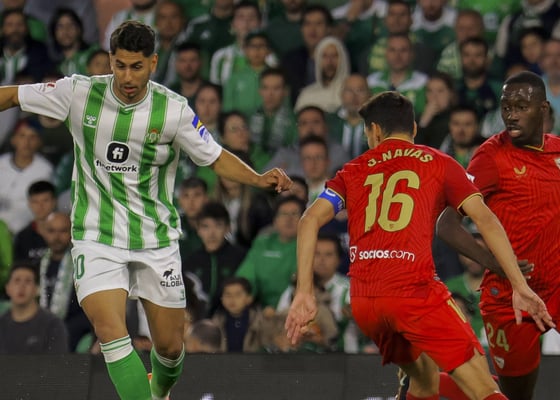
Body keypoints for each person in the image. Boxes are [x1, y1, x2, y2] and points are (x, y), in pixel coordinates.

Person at [0, 20, 291, 400]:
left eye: (136, 66)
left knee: (169, 349)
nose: (127, 76)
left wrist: (257, 178)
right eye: (119, 65)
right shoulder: (78, 93)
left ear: (153, 63)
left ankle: (159, 390)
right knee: (111, 332)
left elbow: (214, 156)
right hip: (96, 236)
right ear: (110, 60)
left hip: (155, 239)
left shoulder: (173, 110)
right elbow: (12, 95)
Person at [285, 91, 554, 400]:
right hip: (414, 294)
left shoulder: (352, 170)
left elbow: (308, 220)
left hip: (367, 303)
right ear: (413, 128)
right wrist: (519, 284)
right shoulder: (439, 162)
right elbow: (486, 220)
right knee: (484, 387)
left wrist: (304, 292)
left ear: (374, 131)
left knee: (424, 383)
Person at [437, 71, 560, 400]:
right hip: (509, 296)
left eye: (521, 107)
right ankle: (428, 384)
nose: (512, 115)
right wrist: (496, 264)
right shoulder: (490, 157)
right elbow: (446, 224)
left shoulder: (558, 152)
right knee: (515, 395)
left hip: (556, 285)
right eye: (507, 107)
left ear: (543, 109)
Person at [0, 261, 69, 354]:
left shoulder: (53, 325)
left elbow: (57, 361)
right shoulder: (2, 325)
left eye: (28, 281)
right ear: (7, 288)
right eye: (17, 280)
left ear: (37, 289)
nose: (21, 287)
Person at [211, 276, 265, 352]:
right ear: (222, 299)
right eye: (228, 295)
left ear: (249, 298)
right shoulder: (215, 322)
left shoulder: (260, 321)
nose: (232, 299)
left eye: (238, 295)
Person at [13, 180, 57, 265]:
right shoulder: (22, 237)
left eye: (45, 200)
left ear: (54, 202)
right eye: (35, 201)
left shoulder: (67, 231)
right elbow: (20, 268)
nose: (40, 206)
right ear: (29, 204)